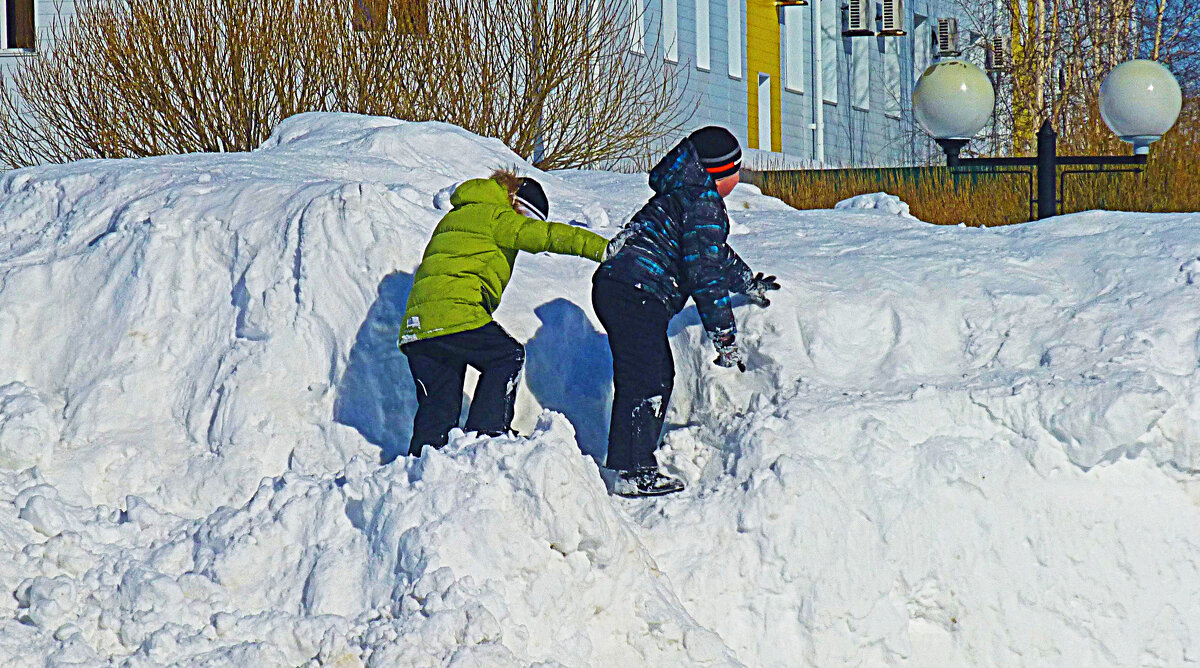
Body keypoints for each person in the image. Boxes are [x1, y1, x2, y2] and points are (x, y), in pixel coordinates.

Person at [592, 126, 780, 497]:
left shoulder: (684, 193)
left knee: (642, 377)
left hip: (616, 287)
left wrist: (746, 282)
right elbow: (705, 275)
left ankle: (626, 465)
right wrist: (725, 337)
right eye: (735, 171)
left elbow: (712, 255)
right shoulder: (703, 202)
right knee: (651, 379)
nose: (738, 178)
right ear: (718, 173)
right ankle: (634, 471)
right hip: (638, 292)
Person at [399, 170, 609, 457]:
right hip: (456, 314)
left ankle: (423, 470)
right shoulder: (498, 216)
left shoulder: (460, 213)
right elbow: (547, 236)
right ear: (518, 204)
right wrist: (604, 249)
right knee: (505, 355)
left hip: (419, 328)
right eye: (527, 219)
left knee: (439, 408)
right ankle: (487, 436)